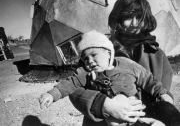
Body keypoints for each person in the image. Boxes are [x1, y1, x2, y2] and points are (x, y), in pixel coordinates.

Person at [67, 0, 174, 126]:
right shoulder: (99, 50)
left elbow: (163, 94)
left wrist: (165, 108)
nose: (134, 23)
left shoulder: (157, 55)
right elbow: (74, 88)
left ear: (146, 19)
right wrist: (104, 105)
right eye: (128, 17)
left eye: (139, 17)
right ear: (118, 19)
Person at [39, 30, 174, 126]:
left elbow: (148, 79)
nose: (89, 61)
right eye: (85, 58)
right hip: (109, 118)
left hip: (135, 115)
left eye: (94, 55)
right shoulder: (85, 72)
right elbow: (70, 83)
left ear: (108, 53)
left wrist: (162, 93)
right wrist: (52, 94)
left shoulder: (127, 65)